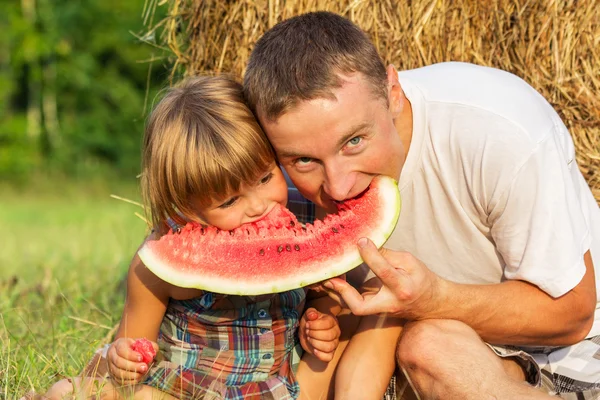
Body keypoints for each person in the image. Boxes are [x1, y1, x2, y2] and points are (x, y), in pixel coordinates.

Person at [242, 11, 600, 400]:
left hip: (567, 353)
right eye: (304, 161)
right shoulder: (269, 183)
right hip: (408, 351)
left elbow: (573, 314)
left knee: (427, 347)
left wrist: (433, 299)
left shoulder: (496, 133)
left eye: (354, 142)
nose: (339, 187)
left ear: (392, 93)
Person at [31, 75, 398, 400]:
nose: (258, 206)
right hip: (182, 387)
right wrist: (123, 358)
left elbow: (320, 295)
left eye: (265, 178)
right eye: (229, 200)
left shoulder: (305, 215)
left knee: (380, 313)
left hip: (271, 390)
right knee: (70, 392)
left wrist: (320, 324)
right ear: (187, 210)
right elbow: (132, 342)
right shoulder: (156, 266)